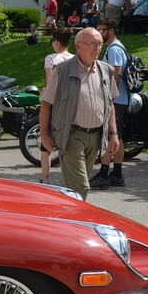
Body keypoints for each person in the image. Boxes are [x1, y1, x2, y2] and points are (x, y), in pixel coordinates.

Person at [39, 27, 120, 200]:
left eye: (99, 44)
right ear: (78, 46)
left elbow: (110, 104)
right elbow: (46, 103)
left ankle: (67, 218)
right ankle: (76, 221)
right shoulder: (62, 70)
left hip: (96, 136)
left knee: (75, 190)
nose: (97, 48)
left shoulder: (106, 70)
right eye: (92, 44)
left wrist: (113, 134)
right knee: (81, 187)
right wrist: (44, 134)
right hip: (71, 135)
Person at [90, 19, 129, 190]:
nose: (99, 34)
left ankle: (104, 173)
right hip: (121, 99)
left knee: (112, 136)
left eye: (102, 30)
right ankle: (117, 174)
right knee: (118, 136)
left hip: (116, 100)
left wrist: (109, 97)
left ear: (111, 30)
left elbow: (116, 73)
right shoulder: (117, 47)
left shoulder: (113, 49)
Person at [40, 29, 74, 183]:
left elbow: (50, 83)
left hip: (55, 104)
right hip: (72, 103)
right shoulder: (75, 59)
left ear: (56, 41)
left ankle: (46, 180)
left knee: (46, 144)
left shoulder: (51, 59)